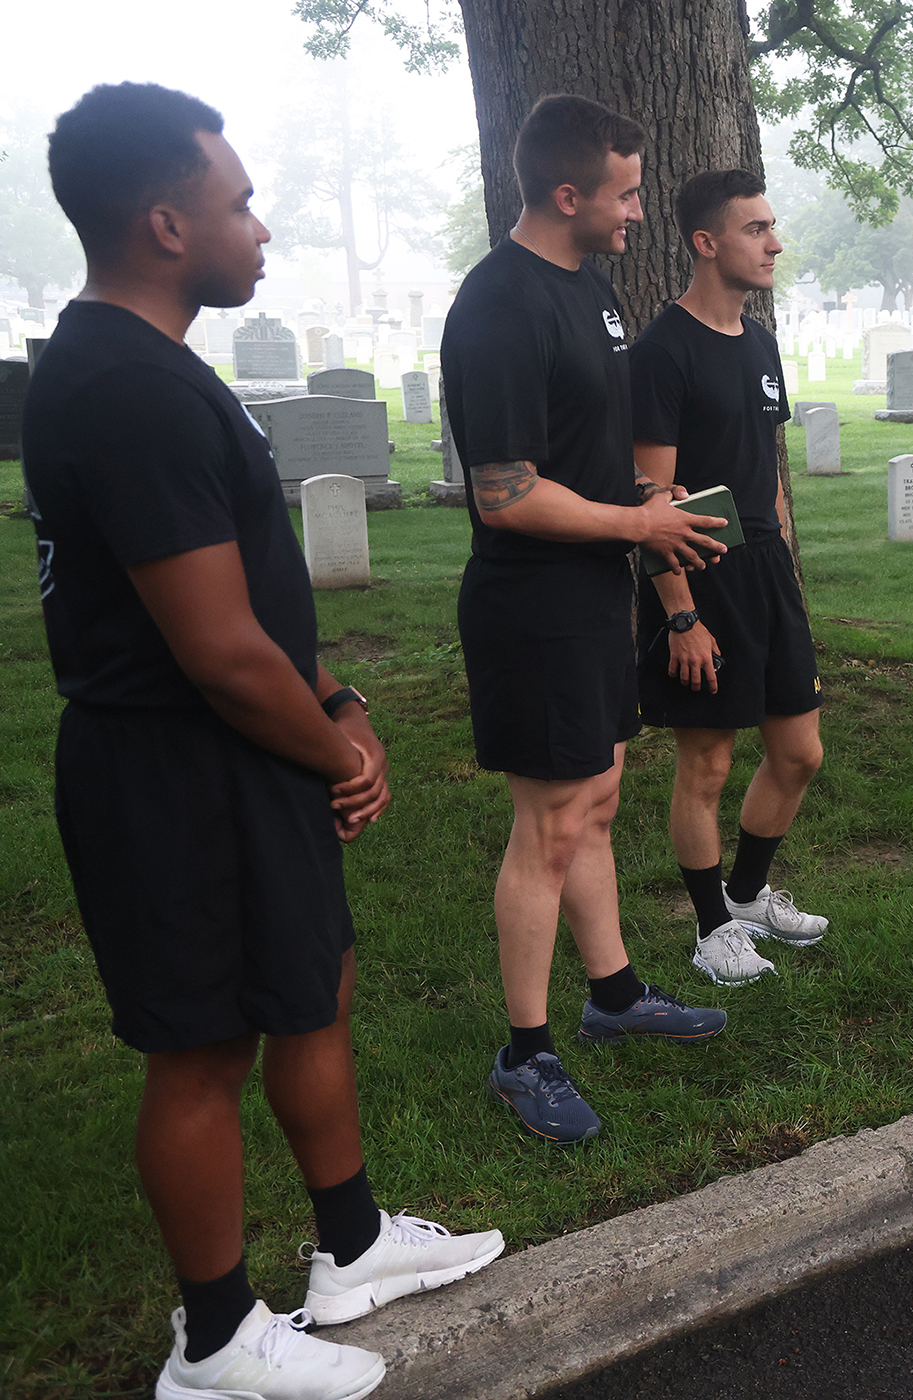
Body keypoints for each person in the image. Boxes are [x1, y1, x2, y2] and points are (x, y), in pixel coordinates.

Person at [27, 82, 502, 1400]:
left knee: (314, 983)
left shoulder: (162, 367)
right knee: (199, 1050)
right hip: (175, 772)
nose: (261, 226)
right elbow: (221, 654)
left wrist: (335, 706)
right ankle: (216, 1342)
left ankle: (348, 1248)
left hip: (241, 749)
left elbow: (254, 617)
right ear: (166, 223)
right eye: (238, 203)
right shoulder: (123, 385)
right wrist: (333, 749)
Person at [443, 94, 732, 1146]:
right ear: (567, 194)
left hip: (594, 594)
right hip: (533, 606)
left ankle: (612, 993)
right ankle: (525, 1053)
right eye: (626, 193)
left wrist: (644, 530)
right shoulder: (500, 306)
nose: (639, 211)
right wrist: (635, 523)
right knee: (550, 822)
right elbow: (505, 489)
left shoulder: (591, 290)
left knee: (600, 798)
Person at [631, 169, 827, 986]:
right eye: (756, 229)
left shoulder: (760, 342)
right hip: (699, 575)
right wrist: (679, 614)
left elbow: (769, 471)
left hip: (765, 572)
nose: (775, 242)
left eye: (773, 227)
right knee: (706, 763)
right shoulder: (661, 352)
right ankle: (713, 930)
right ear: (706, 242)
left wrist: (783, 564)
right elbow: (649, 497)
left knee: (799, 753)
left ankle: (747, 895)